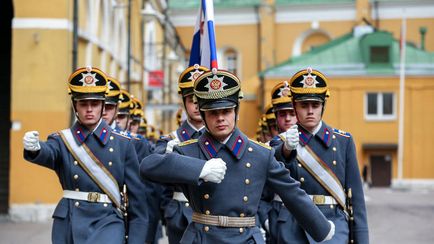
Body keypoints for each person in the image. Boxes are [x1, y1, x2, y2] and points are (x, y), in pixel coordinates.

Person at [140, 68, 335, 244]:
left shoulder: (260, 153)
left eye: (226, 111)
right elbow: (148, 166)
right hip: (202, 237)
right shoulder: (189, 150)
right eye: (213, 112)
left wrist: (321, 227)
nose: (221, 118)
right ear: (204, 114)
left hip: (246, 238)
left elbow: (291, 192)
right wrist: (200, 169)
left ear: (236, 111)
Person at [22, 67, 148, 244]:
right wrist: (35, 148)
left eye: (95, 104)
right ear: (75, 106)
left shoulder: (123, 144)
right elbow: (49, 153)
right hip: (70, 221)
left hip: (108, 221)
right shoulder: (62, 140)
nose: (89, 109)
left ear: (103, 105)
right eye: (83, 104)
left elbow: (138, 202)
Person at [274, 67, 369, 243]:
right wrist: (286, 149)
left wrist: (362, 237)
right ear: (294, 106)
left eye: (315, 105)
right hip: (292, 226)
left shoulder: (343, 141)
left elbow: (356, 198)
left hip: (333, 224)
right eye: (304, 105)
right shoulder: (281, 142)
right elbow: (272, 170)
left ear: (323, 106)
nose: (310, 111)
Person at [154, 64, 208, 244]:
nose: (197, 105)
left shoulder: (221, 138)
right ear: (183, 102)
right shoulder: (170, 140)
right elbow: (154, 171)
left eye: (201, 99)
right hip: (180, 214)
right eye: (192, 100)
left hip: (213, 213)